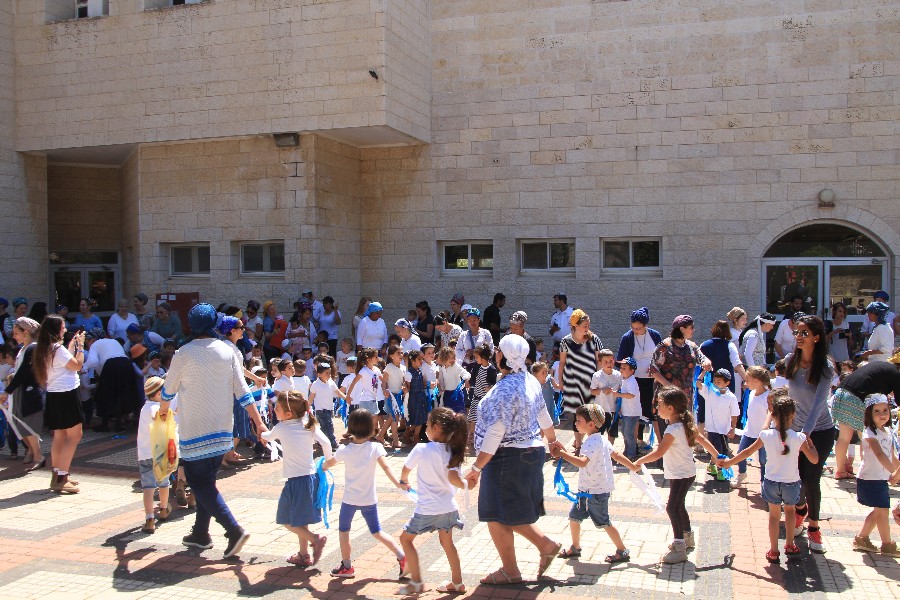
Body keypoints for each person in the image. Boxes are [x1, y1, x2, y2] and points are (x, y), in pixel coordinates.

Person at [160, 303, 267, 559]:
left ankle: (233, 530)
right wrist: (258, 422)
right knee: (206, 481)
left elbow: (168, 390)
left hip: (194, 428)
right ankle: (200, 533)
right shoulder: (227, 350)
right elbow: (242, 391)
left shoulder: (183, 353)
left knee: (198, 482)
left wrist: (163, 411)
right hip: (221, 428)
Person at [464, 334, 562, 585]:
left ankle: (512, 569)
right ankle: (544, 546)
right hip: (530, 452)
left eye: (498, 350)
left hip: (507, 456)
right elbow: (543, 415)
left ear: (502, 357)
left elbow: (496, 432)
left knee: (494, 512)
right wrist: (551, 441)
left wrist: (477, 466)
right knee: (509, 511)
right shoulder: (529, 380)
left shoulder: (504, 389)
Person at [719, 393, 819, 563]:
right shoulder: (799, 438)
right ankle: (789, 544)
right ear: (793, 415)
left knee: (773, 516)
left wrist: (729, 463)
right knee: (789, 513)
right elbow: (814, 459)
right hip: (791, 483)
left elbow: (747, 452)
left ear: (772, 414)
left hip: (771, 482)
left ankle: (773, 551)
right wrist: (812, 445)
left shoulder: (765, 435)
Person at [636, 388, 719, 564]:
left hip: (682, 475)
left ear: (671, 408)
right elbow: (703, 440)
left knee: (672, 508)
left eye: (659, 405)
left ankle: (679, 546)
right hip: (683, 473)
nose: (657, 408)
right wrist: (717, 456)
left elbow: (659, 453)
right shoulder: (683, 425)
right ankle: (687, 537)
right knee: (679, 506)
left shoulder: (672, 430)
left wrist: (639, 462)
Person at [550, 404, 640, 564]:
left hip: (596, 493)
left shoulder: (591, 443)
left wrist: (562, 454)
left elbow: (582, 462)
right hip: (586, 491)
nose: (575, 423)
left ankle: (622, 550)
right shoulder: (601, 439)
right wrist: (632, 466)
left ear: (591, 424)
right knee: (574, 517)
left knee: (604, 522)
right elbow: (617, 455)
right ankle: (575, 547)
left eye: (578, 420)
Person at [323, 409, 407, 578]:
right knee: (377, 532)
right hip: (369, 499)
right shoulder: (376, 447)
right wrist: (398, 483)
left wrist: (321, 467)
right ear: (371, 428)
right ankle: (402, 557)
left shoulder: (344, 450)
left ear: (350, 428)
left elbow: (328, 464)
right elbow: (386, 467)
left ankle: (347, 566)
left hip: (349, 500)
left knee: (344, 532)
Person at [396, 407, 469, 595]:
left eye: (427, 425)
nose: (426, 428)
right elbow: (455, 480)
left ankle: (417, 582)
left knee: (406, 539)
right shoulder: (453, 451)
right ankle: (458, 583)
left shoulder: (421, 449)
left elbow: (405, 470)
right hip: (448, 508)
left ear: (436, 428)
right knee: (448, 544)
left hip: (427, 509)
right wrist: (468, 484)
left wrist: (404, 481)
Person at [260, 391, 331, 567]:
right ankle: (303, 554)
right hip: (310, 478)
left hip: (295, 481)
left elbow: (268, 437)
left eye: (277, 408)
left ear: (289, 413)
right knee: (301, 520)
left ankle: (315, 539)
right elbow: (327, 443)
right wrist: (328, 463)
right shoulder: (308, 424)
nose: (274, 410)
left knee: (285, 519)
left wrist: (261, 432)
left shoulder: (281, 427)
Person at [784, 315, 834, 554]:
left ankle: (814, 528)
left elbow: (817, 404)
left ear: (816, 337)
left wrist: (805, 434)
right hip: (796, 431)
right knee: (796, 477)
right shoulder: (790, 361)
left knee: (811, 478)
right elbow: (787, 396)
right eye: (797, 333)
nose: (799, 337)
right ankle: (801, 509)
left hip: (820, 431)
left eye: (804, 333)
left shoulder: (825, 367)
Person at [32, 314, 86, 494]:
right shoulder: (57, 349)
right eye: (63, 326)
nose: (65, 328)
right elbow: (77, 365)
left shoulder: (45, 348)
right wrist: (81, 348)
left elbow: (64, 363)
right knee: (74, 435)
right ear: (56, 329)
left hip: (55, 395)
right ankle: (62, 478)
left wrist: (71, 345)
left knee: (60, 436)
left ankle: (58, 474)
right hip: (67, 395)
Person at [831, 354, 900, 479]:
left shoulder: (884, 367)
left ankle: (840, 471)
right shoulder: (895, 375)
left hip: (841, 393)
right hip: (857, 398)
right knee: (869, 437)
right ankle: (872, 472)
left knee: (844, 437)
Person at [850, 394, 900, 557]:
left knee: (879, 511)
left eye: (885, 410)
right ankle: (887, 545)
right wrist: (892, 471)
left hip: (880, 478)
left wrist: (896, 471)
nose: (882, 414)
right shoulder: (869, 433)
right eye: (877, 411)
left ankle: (862, 538)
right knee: (882, 511)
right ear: (869, 414)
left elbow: (891, 454)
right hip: (870, 478)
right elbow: (879, 454)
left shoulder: (887, 431)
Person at [649, 315, 711, 433]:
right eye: (691, 327)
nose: (693, 330)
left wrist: (706, 362)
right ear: (682, 329)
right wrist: (668, 384)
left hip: (685, 397)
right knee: (668, 432)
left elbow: (702, 358)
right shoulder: (665, 346)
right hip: (668, 397)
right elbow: (653, 369)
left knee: (683, 432)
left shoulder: (692, 346)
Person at [616, 307, 663, 449]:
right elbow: (621, 360)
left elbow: (662, 355)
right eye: (633, 327)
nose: (635, 330)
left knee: (653, 410)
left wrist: (656, 367)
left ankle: (660, 444)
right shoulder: (627, 338)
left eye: (638, 328)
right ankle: (636, 442)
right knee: (636, 410)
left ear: (645, 325)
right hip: (634, 379)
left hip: (652, 379)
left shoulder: (654, 335)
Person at [0, 317, 43, 470]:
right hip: (22, 390)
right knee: (19, 424)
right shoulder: (24, 349)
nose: (14, 336)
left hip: (29, 390)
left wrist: (7, 391)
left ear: (26, 332)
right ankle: (32, 451)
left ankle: (38, 455)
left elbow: (24, 372)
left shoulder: (32, 348)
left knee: (28, 425)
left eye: (16, 333)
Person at [558, 309, 604, 453]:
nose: (587, 327)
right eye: (584, 325)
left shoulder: (594, 339)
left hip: (590, 384)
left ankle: (592, 444)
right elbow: (562, 363)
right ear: (575, 325)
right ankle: (578, 445)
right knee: (575, 415)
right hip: (572, 383)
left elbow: (598, 360)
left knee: (591, 413)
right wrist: (560, 382)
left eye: (588, 324)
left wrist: (598, 379)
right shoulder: (565, 341)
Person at [83, 328, 142, 432]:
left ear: (92, 339)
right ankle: (119, 423)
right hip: (126, 364)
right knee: (122, 393)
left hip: (111, 366)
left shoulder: (95, 344)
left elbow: (93, 361)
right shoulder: (114, 341)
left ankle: (105, 424)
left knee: (107, 394)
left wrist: (83, 367)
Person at [137, 377, 174, 534]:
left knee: (148, 487)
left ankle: (149, 518)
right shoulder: (153, 408)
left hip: (145, 454)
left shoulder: (144, 407)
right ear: (159, 393)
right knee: (163, 483)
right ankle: (164, 509)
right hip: (159, 453)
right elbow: (155, 415)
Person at [731, 366, 772, 488]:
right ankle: (742, 474)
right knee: (740, 454)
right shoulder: (752, 393)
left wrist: (766, 426)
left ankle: (764, 483)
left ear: (757, 381)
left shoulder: (768, 396)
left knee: (763, 460)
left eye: (748, 380)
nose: (745, 383)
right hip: (749, 432)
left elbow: (771, 412)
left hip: (763, 435)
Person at [696, 368, 739, 482]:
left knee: (724, 450)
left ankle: (711, 464)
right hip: (712, 428)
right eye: (715, 381)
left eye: (719, 381)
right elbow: (698, 383)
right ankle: (721, 471)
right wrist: (704, 371)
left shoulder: (731, 397)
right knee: (719, 450)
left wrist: (732, 429)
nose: (715, 383)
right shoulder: (710, 392)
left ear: (727, 383)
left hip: (724, 429)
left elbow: (734, 414)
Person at [465, 344, 497, 450]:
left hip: (485, 400)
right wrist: (469, 382)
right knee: (473, 417)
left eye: (477, 357)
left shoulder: (491, 369)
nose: (476, 359)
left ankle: (484, 438)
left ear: (483, 357)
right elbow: (473, 376)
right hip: (476, 396)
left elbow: (494, 384)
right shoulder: (477, 366)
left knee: (484, 419)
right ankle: (471, 436)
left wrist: (490, 388)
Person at [308, 363, 346, 452]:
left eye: (329, 373)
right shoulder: (315, 384)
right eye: (326, 373)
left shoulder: (331, 382)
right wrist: (307, 407)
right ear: (319, 374)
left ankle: (321, 442)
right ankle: (333, 444)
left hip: (329, 409)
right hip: (321, 410)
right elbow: (311, 397)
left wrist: (346, 398)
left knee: (325, 427)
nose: (329, 375)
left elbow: (338, 392)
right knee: (329, 427)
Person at [437, 346, 470, 414]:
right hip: (447, 395)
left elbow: (465, 373)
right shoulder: (442, 368)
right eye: (450, 358)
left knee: (458, 415)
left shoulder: (455, 366)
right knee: (448, 415)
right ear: (444, 358)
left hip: (457, 394)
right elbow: (441, 381)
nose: (452, 360)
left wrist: (466, 379)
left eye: (453, 357)